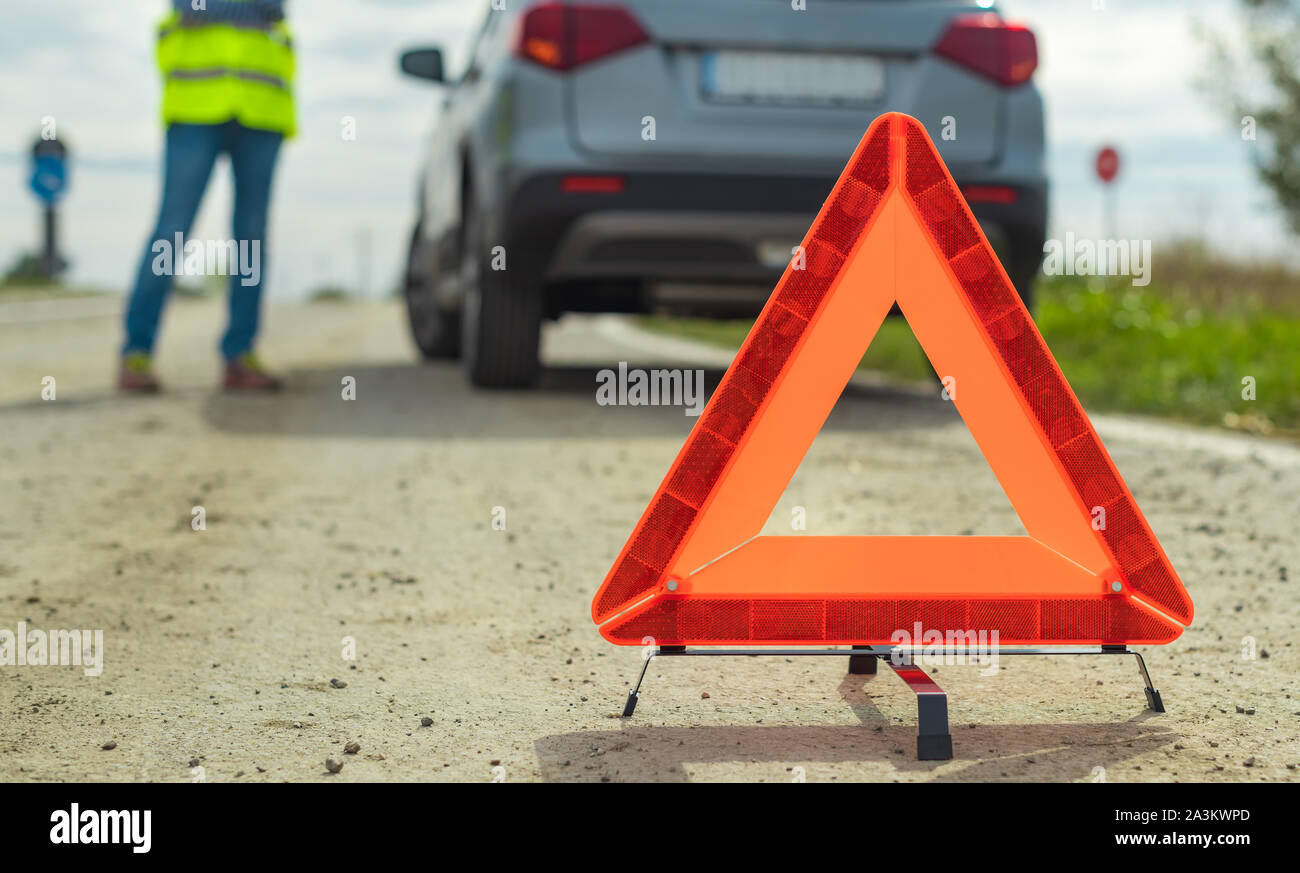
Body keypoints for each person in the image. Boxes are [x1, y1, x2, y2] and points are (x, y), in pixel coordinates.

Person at [120, 0, 294, 392]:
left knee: (251, 239)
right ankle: (137, 351)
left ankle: (240, 354)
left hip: (261, 108)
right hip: (195, 105)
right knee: (172, 232)